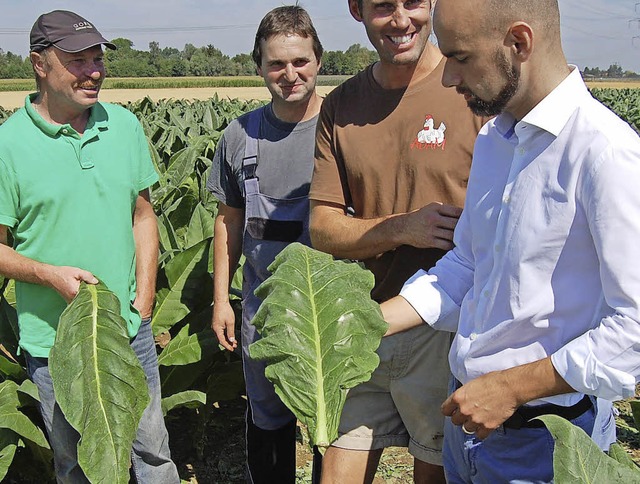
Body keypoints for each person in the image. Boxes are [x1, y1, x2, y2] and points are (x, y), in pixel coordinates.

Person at [380, 0, 639, 481]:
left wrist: (513, 389)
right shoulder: (495, 141)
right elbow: (468, 266)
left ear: (518, 44)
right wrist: (369, 322)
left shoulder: (606, 153)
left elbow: (634, 329)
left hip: (547, 440)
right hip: (468, 423)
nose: (447, 78)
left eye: (459, 57)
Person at [309, 1, 487, 482]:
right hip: (362, 322)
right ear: (356, 10)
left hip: (445, 329)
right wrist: (400, 227)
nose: (401, 19)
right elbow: (322, 226)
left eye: (412, 2)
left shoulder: (470, 90)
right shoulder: (341, 105)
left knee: (433, 473)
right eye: (384, 6)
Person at [0, 10, 179, 483]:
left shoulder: (123, 127)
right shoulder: (8, 145)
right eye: (78, 60)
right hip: (54, 340)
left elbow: (143, 215)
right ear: (40, 64)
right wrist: (47, 274)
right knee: (76, 462)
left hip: (128, 330)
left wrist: (143, 297)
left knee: (153, 451)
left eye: (97, 58)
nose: (94, 70)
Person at [206, 6, 323, 483]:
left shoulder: (345, 130)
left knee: (329, 426)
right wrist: (221, 300)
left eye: (300, 61)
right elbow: (227, 225)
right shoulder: (239, 135)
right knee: (268, 423)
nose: (289, 74)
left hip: (326, 316)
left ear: (318, 60)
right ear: (259, 67)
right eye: (276, 64)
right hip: (262, 310)